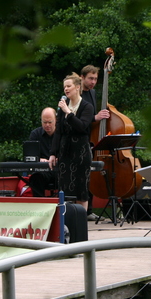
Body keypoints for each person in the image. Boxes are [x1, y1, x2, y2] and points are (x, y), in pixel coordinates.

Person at [49, 73, 95, 212]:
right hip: (66, 151)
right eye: (64, 87)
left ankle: (81, 222)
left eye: (69, 86)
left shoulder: (87, 107)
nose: (66, 89)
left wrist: (68, 112)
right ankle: (66, 222)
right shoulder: (63, 107)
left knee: (81, 189)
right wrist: (53, 153)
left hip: (80, 151)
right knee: (65, 188)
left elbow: (82, 126)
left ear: (77, 87)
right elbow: (58, 132)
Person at [80, 65, 111, 221]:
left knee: (90, 174)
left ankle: (89, 210)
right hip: (79, 138)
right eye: (90, 78)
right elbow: (79, 118)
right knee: (82, 175)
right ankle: (80, 211)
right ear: (82, 78)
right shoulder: (76, 94)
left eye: (95, 79)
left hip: (90, 138)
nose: (93, 82)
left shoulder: (92, 93)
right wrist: (95, 117)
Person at [28, 107, 57, 197]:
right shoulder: (35, 134)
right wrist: (39, 160)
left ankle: (66, 206)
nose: (47, 125)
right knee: (35, 178)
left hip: (59, 170)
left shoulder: (63, 134)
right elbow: (30, 155)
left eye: (50, 122)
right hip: (42, 171)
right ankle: (39, 206)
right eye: (44, 122)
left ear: (56, 120)